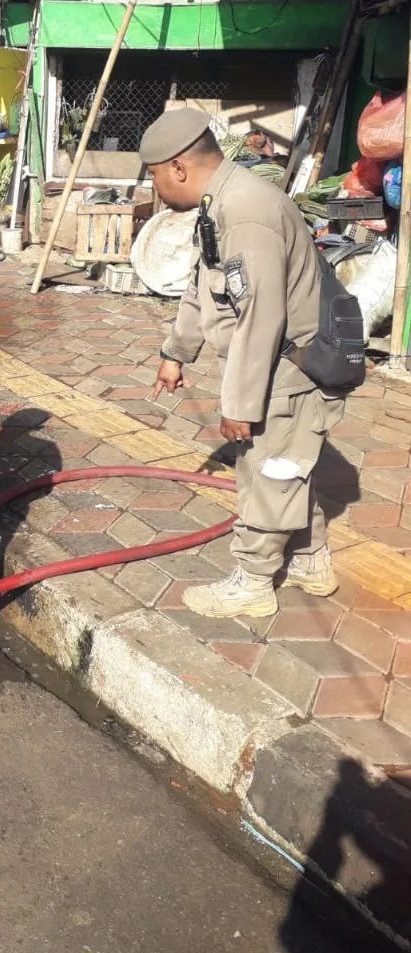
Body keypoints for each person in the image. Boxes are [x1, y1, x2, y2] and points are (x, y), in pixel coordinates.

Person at [145, 107, 344, 620]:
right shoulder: (220, 205)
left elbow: (261, 315)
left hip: (284, 371)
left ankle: (253, 583)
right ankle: (310, 560)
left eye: (156, 176)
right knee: (288, 467)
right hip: (273, 368)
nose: (157, 188)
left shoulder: (248, 211)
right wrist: (176, 352)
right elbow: (203, 286)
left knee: (268, 472)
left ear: (179, 168)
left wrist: (239, 404)